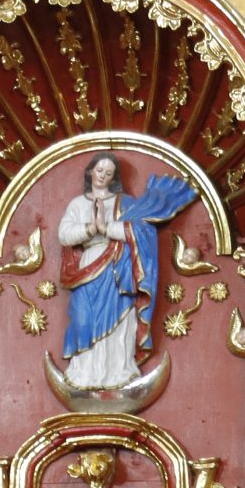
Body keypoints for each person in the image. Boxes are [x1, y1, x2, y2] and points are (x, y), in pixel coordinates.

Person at [54, 153, 196, 391]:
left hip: (118, 268)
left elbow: (143, 232)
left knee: (120, 322)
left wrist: (107, 227)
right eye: (99, 170)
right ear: (90, 172)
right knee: (83, 318)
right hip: (88, 266)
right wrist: (90, 228)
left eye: (108, 173)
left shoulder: (126, 203)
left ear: (114, 177)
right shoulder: (77, 204)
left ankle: (118, 372)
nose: (103, 176)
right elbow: (64, 235)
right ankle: (84, 373)